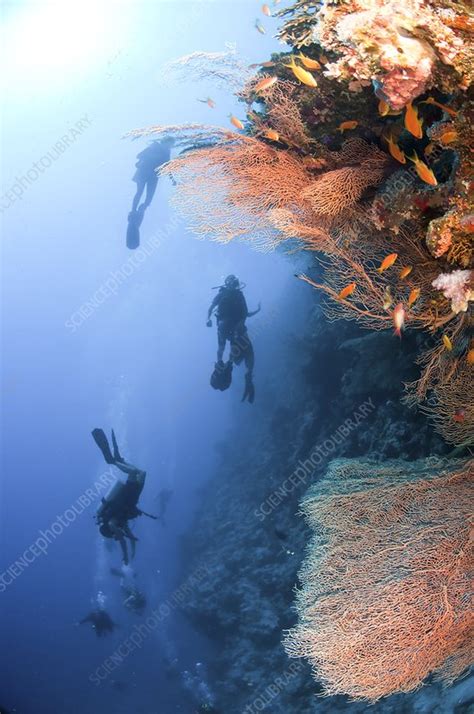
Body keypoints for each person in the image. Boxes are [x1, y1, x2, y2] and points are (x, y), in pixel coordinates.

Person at [92, 428, 154, 564]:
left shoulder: (112, 523)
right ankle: (119, 460)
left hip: (128, 494)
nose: (116, 536)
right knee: (141, 473)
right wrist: (133, 551)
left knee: (133, 473)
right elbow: (130, 537)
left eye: (114, 535)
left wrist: (126, 554)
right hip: (134, 496)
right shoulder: (121, 524)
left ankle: (113, 461)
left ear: (109, 531)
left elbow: (122, 538)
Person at [207, 275, 260, 402]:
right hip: (232, 327)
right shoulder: (235, 295)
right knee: (243, 351)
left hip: (229, 327)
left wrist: (208, 319)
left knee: (226, 348)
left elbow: (245, 313)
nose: (233, 285)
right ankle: (236, 368)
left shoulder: (230, 294)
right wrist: (208, 319)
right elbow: (246, 314)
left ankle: (228, 365)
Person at [127, 137, 174, 249]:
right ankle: (134, 212)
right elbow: (139, 155)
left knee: (148, 200)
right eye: (170, 144)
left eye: (171, 145)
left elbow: (168, 166)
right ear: (165, 142)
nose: (170, 147)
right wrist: (152, 156)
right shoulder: (154, 146)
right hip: (144, 172)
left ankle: (138, 214)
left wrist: (172, 179)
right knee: (139, 192)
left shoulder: (166, 152)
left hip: (153, 176)